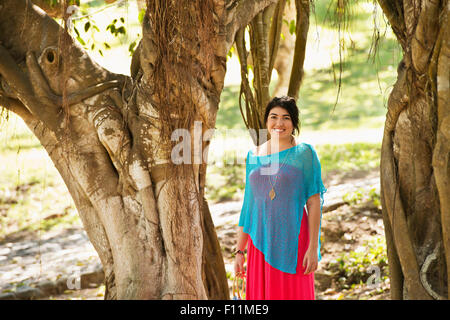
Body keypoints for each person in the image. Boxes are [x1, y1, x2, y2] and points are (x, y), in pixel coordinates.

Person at [234, 96, 327, 300]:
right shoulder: (253, 155)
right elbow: (248, 208)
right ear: (266, 121)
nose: (279, 123)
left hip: (293, 241)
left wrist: (313, 248)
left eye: (286, 118)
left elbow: (313, 202)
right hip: (259, 243)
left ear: (293, 123)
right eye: (273, 117)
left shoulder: (305, 153)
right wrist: (240, 251)